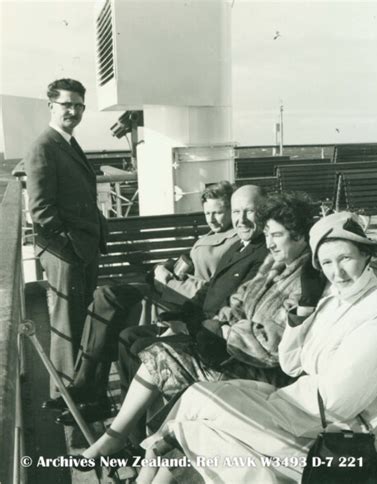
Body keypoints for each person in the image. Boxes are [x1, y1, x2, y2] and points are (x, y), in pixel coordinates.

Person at [136, 211, 377, 484]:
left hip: (338, 443)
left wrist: (271, 408)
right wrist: (300, 316)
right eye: (327, 262)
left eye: (345, 258)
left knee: (198, 424)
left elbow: (335, 405)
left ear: (366, 255)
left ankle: (144, 473)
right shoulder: (337, 296)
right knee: (198, 397)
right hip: (305, 412)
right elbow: (292, 363)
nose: (337, 272)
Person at [74, 192, 322, 462]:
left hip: (260, 371)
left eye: (277, 236)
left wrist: (221, 330)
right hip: (233, 351)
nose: (270, 244)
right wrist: (216, 323)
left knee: (160, 353)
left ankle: (128, 441)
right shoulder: (276, 264)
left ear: (298, 236)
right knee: (155, 351)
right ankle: (120, 439)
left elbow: (271, 346)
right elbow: (239, 300)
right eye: (269, 235)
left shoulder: (304, 282)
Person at [49, 184, 267, 424]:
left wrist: (167, 281)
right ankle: (90, 387)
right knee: (105, 297)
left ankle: (91, 389)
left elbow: (214, 290)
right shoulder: (214, 238)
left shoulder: (237, 242)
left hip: (176, 296)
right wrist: (164, 268)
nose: (212, 219)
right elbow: (191, 263)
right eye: (207, 213)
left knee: (111, 304)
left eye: (219, 212)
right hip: (165, 288)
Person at [24, 79, 107, 397]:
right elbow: (41, 210)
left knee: (78, 319)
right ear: (51, 106)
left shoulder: (67, 143)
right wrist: (71, 247)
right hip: (65, 252)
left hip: (81, 249)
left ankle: (79, 388)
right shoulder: (44, 147)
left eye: (78, 105)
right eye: (66, 104)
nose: (73, 110)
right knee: (67, 325)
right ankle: (64, 395)